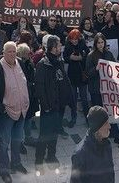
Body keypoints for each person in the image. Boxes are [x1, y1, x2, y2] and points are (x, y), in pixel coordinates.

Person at [0, 40, 33, 182]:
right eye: (9, 52)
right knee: (3, 143)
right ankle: (4, 171)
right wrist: (1, 110)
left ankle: (16, 163)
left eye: (14, 51)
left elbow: (26, 82)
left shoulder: (20, 63)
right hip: (7, 113)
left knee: (17, 140)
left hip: (21, 111)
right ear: (3, 53)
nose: (12, 54)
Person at [34, 34, 68, 174]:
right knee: (44, 135)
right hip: (48, 108)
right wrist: (46, 106)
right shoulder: (43, 64)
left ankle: (51, 157)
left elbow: (63, 80)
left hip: (58, 106)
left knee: (54, 134)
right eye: (59, 45)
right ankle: (39, 160)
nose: (61, 47)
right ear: (53, 48)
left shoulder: (58, 61)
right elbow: (40, 88)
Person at [70, 106, 115, 183]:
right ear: (97, 128)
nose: (109, 126)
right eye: (105, 124)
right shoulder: (80, 154)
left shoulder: (107, 144)